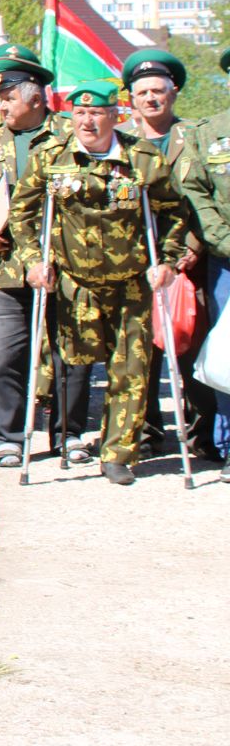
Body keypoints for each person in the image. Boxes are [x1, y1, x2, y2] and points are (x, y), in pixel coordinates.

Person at [10, 82, 188, 485]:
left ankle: (117, 454)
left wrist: (169, 261)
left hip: (130, 283)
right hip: (75, 281)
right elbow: (21, 213)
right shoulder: (52, 157)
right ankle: (66, 438)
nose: (87, 121)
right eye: (80, 113)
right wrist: (32, 262)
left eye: (97, 114)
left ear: (115, 116)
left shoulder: (141, 159)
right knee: (71, 364)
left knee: (132, 369)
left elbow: (175, 211)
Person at [0, 47, 89, 468]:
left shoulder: (69, 134)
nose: (1, 105)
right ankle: (9, 434)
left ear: (33, 97)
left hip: (62, 262)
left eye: (7, 97)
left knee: (70, 351)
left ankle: (70, 433)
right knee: (3, 354)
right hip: (6, 264)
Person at [122, 48, 216, 459]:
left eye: (159, 91)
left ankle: (201, 432)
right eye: (143, 92)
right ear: (131, 98)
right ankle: (146, 431)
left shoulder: (195, 135)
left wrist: (191, 249)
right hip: (134, 260)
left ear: (173, 92)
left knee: (190, 344)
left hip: (188, 260)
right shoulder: (119, 136)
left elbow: (207, 197)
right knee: (140, 349)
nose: (151, 99)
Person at [174, 46, 230, 472]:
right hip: (227, 259)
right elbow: (195, 193)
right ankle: (229, 445)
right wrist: (223, 239)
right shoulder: (210, 134)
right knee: (229, 355)